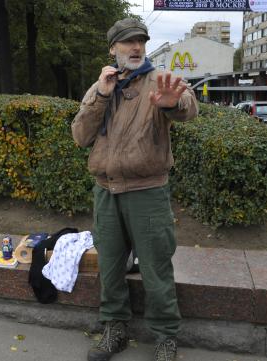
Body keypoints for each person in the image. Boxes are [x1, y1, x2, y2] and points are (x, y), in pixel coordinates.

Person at [71, 18, 198, 361]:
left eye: (141, 40)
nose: (136, 47)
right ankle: (114, 329)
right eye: (127, 41)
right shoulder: (103, 84)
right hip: (105, 191)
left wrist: (172, 104)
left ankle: (166, 337)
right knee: (110, 266)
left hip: (147, 192)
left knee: (156, 268)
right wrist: (100, 95)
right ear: (113, 48)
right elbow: (80, 136)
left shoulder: (160, 81)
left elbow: (187, 106)